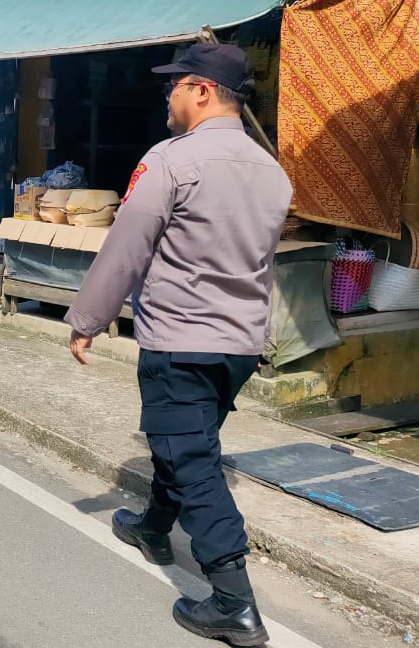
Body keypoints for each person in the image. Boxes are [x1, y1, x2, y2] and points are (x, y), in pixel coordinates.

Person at [64, 44, 292, 647]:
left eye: (173, 87)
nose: (165, 98)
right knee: (186, 436)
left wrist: (88, 316)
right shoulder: (272, 170)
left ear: (201, 91)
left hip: (182, 339)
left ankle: (233, 602)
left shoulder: (170, 161)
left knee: (193, 459)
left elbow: (127, 246)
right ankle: (153, 526)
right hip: (239, 344)